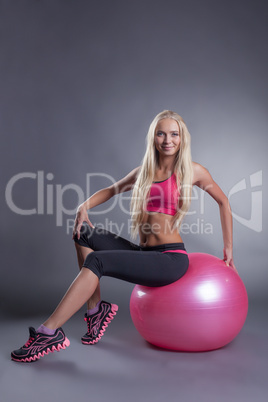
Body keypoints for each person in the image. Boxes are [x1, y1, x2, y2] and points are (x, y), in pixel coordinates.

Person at [11, 110, 236, 363]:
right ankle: (95, 311)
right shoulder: (144, 172)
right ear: (153, 137)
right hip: (144, 253)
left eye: (174, 134)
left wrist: (228, 248)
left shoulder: (192, 171)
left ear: (182, 138)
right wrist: (83, 206)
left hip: (169, 259)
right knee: (83, 232)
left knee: (97, 261)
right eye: (161, 134)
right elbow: (111, 190)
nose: (167, 140)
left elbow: (223, 202)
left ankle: (48, 332)